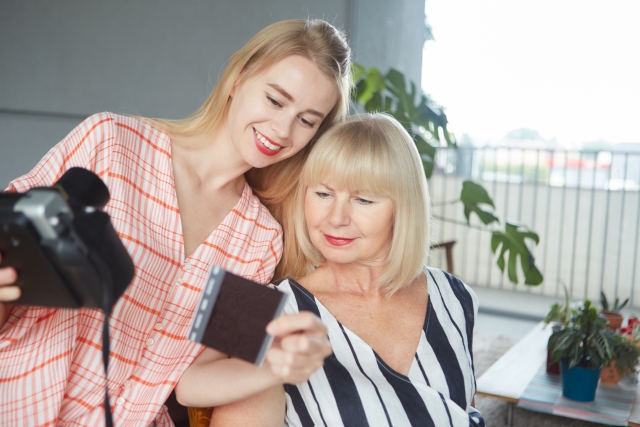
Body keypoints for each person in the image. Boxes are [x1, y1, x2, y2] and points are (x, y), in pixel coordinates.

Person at [0, 19, 351, 426]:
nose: (282, 129)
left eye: (307, 120)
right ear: (237, 79)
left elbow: (193, 381)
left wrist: (274, 367)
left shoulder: (263, 239)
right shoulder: (109, 143)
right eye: (275, 100)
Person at [192, 113, 486, 427]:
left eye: (363, 199)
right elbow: (191, 387)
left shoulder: (455, 295)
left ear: (404, 207)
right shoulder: (261, 308)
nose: (336, 218)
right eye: (323, 194)